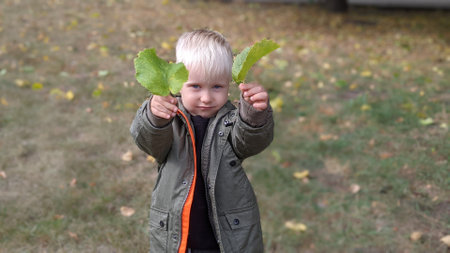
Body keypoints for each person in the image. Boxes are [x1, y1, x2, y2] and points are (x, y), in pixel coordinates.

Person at [130, 29, 274, 253]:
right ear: (177, 84)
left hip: (227, 232)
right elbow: (149, 143)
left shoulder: (232, 120)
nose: (206, 98)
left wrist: (254, 114)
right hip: (177, 231)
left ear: (229, 84)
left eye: (217, 87)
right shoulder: (169, 116)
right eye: (195, 86)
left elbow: (250, 143)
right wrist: (153, 116)